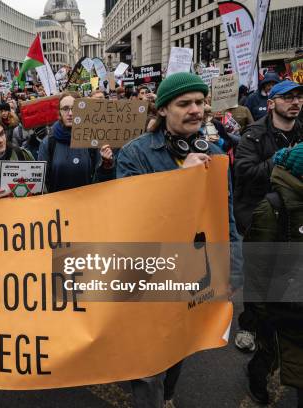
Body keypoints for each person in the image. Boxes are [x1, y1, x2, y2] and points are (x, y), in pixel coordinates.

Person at [117, 72, 242, 408]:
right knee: (146, 363)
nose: (195, 110)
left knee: (181, 344)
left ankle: (168, 395)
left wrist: (234, 271)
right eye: (184, 103)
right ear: (162, 110)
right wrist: (180, 178)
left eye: (200, 102)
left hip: (194, 272)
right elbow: (133, 218)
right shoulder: (134, 155)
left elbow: (225, 216)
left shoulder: (214, 153)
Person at [233, 80, 302, 354]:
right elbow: (245, 173)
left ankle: (276, 322)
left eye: (298, 97)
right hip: (259, 215)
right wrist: (283, 158)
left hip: (293, 215)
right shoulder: (254, 134)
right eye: (287, 98)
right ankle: (249, 325)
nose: (295, 102)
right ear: (271, 103)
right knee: (257, 275)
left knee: (286, 271)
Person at [242, 144, 303, 405]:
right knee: (271, 352)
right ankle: (257, 377)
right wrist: (259, 314)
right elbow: (257, 266)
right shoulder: (273, 208)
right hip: (281, 304)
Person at [38, 92, 113, 193]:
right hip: (59, 205)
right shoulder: (48, 143)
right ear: (59, 112)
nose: (70, 113)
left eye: (74, 108)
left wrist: (106, 164)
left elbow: (101, 179)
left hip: (87, 203)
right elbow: (42, 182)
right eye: (65, 109)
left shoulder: (92, 139)